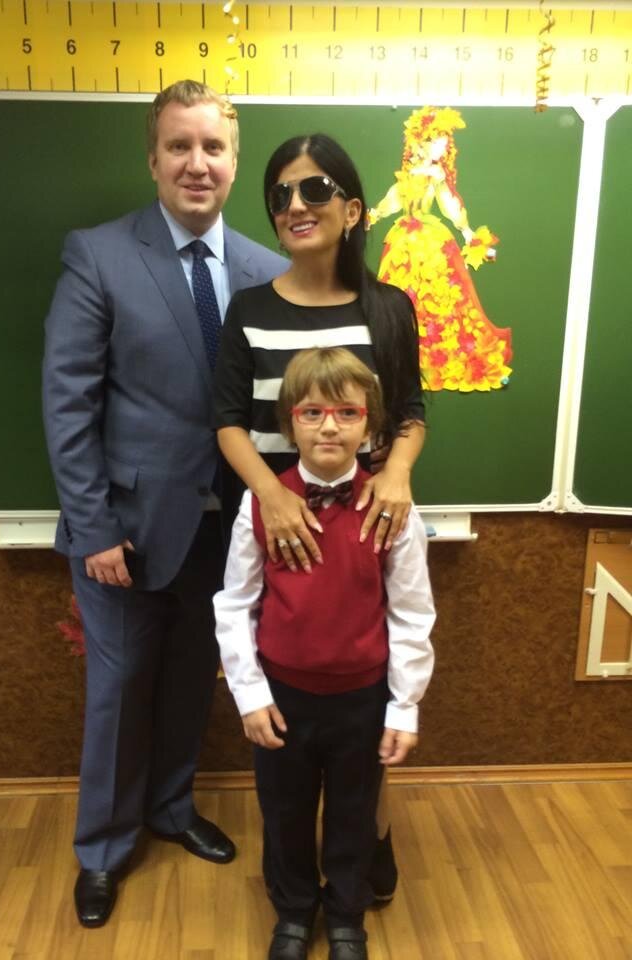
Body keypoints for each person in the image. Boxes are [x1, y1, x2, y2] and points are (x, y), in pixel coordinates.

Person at [42, 79, 287, 928]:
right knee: (118, 693)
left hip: (227, 536)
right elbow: (68, 403)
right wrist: (94, 527)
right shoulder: (98, 255)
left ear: (234, 162)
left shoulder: (266, 272)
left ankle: (171, 809)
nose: (196, 163)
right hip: (126, 534)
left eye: (212, 147)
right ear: (152, 160)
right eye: (179, 146)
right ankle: (104, 850)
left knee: (190, 680)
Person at [213, 133, 426, 902]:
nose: (296, 205)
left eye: (314, 189)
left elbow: (410, 412)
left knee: (366, 695)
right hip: (273, 523)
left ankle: (365, 842)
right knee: (293, 702)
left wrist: (396, 472)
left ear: (353, 208)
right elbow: (227, 420)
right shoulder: (250, 309)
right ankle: (295, 878)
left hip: (364, 519)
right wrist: (272, 496)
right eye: (281, 194)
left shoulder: (388, 308)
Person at [215, 346, 435, 960]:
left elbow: (412, 612)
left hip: (362, 698)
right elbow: (235, 604)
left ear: (370, 424)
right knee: (284, 811)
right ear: (290, 423)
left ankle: (346, 916)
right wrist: (250, 695)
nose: (329, 426)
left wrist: (404, 706)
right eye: (312, 412)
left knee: (354, 812)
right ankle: (292, 912)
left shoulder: (391, 508)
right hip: (281, 698)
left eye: (346, 412)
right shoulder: (260, 504)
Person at [367, 105, 512, 392]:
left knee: (439, 298)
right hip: (405, 244)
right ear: (422, 142)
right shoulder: (409, 175)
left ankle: (436, 356)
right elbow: (393, 199)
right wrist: (373, 215)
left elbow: (449, 204)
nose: (444, 149)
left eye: (445, 144)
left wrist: (467, 231)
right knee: (401, 298)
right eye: (439, 143)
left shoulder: (435, 174)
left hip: (428, 244)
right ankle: (400, 358)